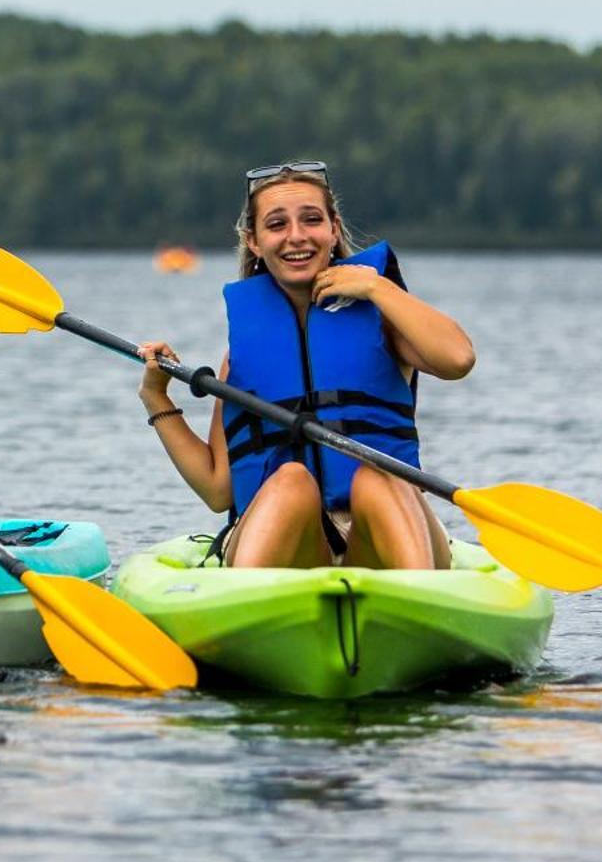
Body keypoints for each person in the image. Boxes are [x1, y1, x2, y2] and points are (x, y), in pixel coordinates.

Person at [134, 160, 474, 571]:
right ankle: (246, 604)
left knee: (377, 475)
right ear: (254, 241)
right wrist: (156, 397)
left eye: (311, 220)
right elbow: (217, 490)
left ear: (333, 228)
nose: (296, 236)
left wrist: (375, 285)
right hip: (288, 542)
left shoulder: (383, 321)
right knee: (292, 480)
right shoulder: (243, 354)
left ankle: (423, 604)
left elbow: (458, 359)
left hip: (384, 532)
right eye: (277, 224)